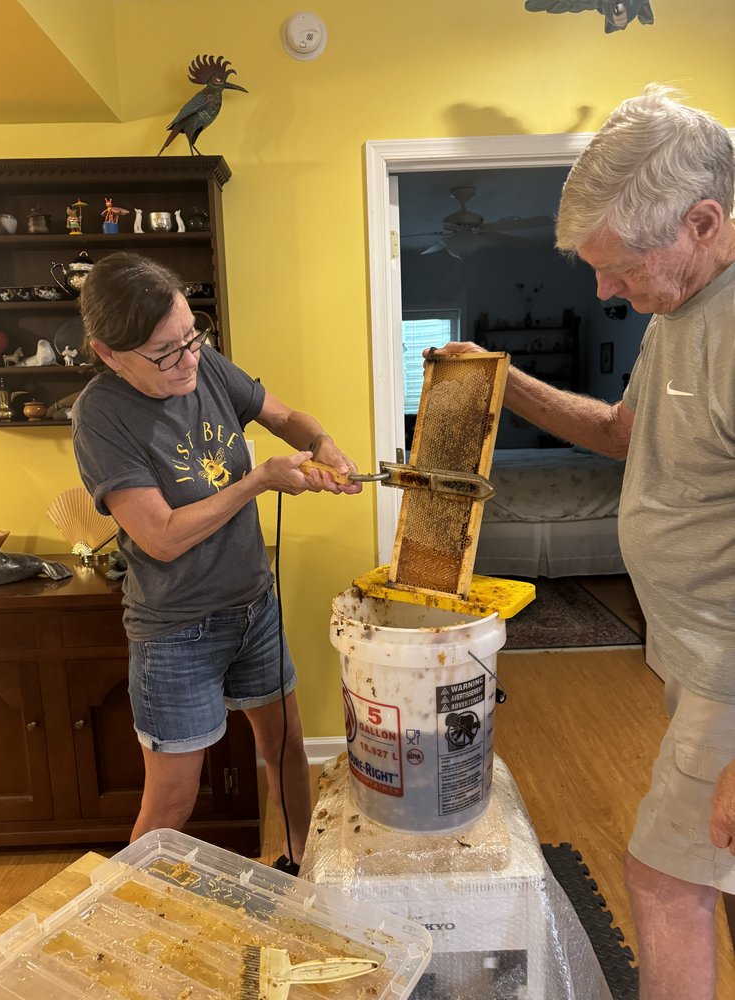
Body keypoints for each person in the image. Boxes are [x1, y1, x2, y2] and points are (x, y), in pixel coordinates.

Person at [432, 85, 735, 999]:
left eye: (619, 267)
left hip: (732, 673)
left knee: (663, 879)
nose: (605, 290)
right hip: (694, 655)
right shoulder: (679, 312)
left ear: (703, 221)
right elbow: (618, 430)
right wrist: (501, 379)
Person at [72, 251, 361, 874]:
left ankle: (297, 871)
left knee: (284, 749)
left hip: (253, 606)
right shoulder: (99, 417)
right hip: (176, 630)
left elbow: (282, 415)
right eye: (165, 352)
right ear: (109, 354)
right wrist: (259, 481)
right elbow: (162, 538)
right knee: (172, 797)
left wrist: (321, 444)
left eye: (191, 337)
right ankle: (127, 914)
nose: (188, 360)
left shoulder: (200, 365)